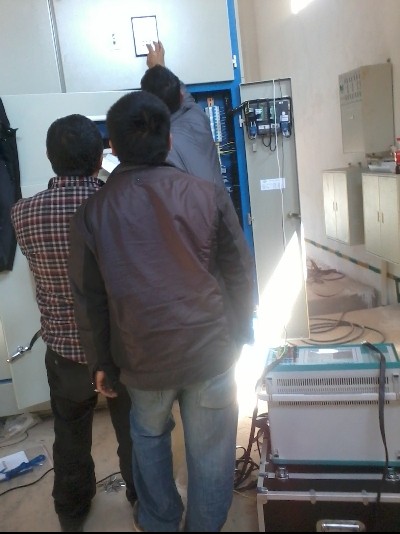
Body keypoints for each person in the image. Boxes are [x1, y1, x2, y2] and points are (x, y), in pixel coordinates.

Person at [67, 90, 255, 532]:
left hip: (141, 358)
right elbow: (240, 272)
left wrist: (101, 363)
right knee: (211, 451)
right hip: (210, 350)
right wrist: (242, 332)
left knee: (149, 439)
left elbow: (90, 298)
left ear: (112, 147)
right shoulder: (207, 194)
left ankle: (159, 521)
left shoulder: (92, 212)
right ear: (169, 140)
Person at [10, 114, 137, 532]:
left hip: (64, 351)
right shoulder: (118, 204)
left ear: (50, 158)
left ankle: (71, 511)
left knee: (69, 433)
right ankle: (142, 499)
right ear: (100, 156)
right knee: (133, 430)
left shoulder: (23, 213)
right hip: (119, 349)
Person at [141, 40, 225, 185]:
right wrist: (159, 67)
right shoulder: (198, 116)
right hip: (220, 198)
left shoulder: (163, 149)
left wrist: (157, 69)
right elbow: (182, 93)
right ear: (180, 96)